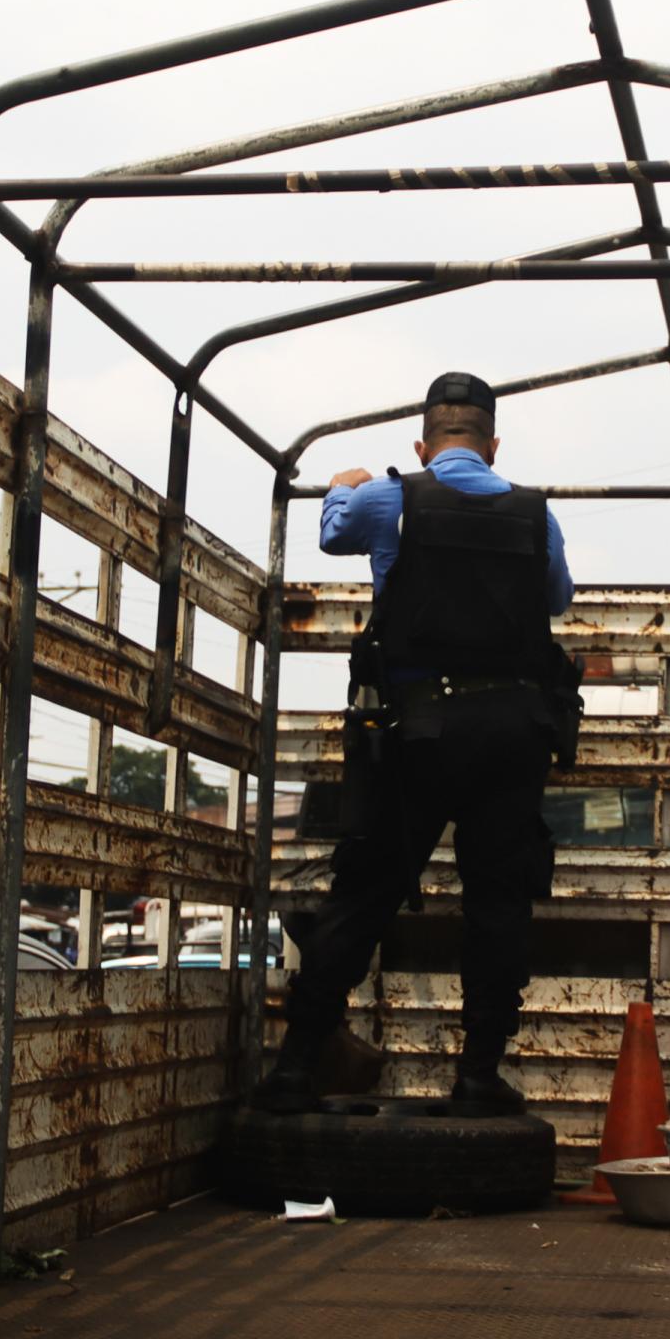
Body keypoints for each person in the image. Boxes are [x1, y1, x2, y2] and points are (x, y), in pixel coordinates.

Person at [255, 372, 576, 1118]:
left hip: (416, 731)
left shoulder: (390, 498)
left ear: (423, 445)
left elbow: (334, 533)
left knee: (364, 892)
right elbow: (556, 598)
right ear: (494, 447)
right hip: (512, 735)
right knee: (498, 906)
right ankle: (478, 1077)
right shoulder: (535, 514)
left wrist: (343, 483)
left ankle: (298, 1069)